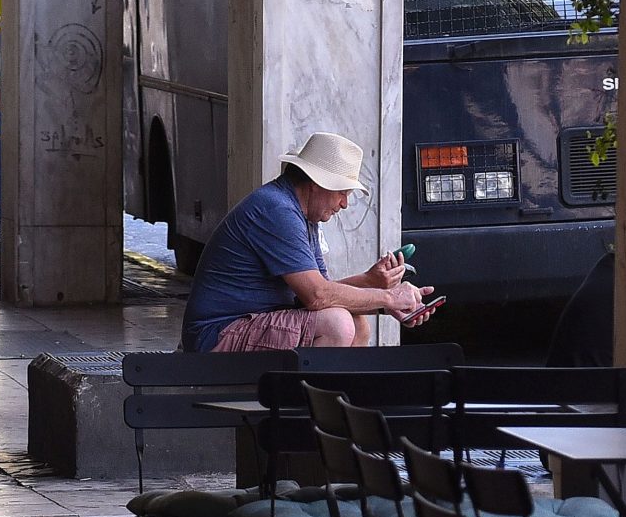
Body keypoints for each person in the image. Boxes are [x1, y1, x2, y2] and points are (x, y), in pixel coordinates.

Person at [179, 132, 436, 352]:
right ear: (316, 183)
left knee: (356, 323)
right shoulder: (277, 210)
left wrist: (372, 283)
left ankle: (335, 403)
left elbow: (316, 294)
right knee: (337, 324)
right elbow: (317, 297)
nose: (344, 204)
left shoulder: (302, 214)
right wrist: (389, 298)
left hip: (247, 323)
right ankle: (308, 407)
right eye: (342, 193)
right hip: (215, 334)